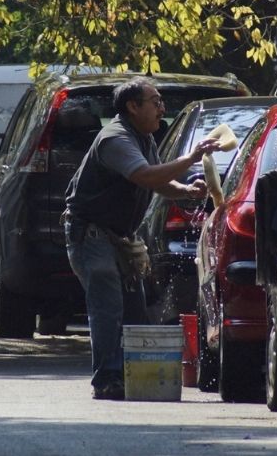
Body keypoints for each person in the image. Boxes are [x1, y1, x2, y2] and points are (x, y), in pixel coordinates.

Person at [63, 77, 220, 400]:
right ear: (133, 107)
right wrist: (192, 158)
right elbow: (144, 175)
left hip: (118, 237)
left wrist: (186, 190)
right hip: (91, 235)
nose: (161, 107)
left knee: (135, 310)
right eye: (155, 101)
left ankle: (131, 376)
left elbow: (157, 180)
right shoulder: (116, 138)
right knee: (108, 306)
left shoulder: (143, 137)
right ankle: (106, 380)